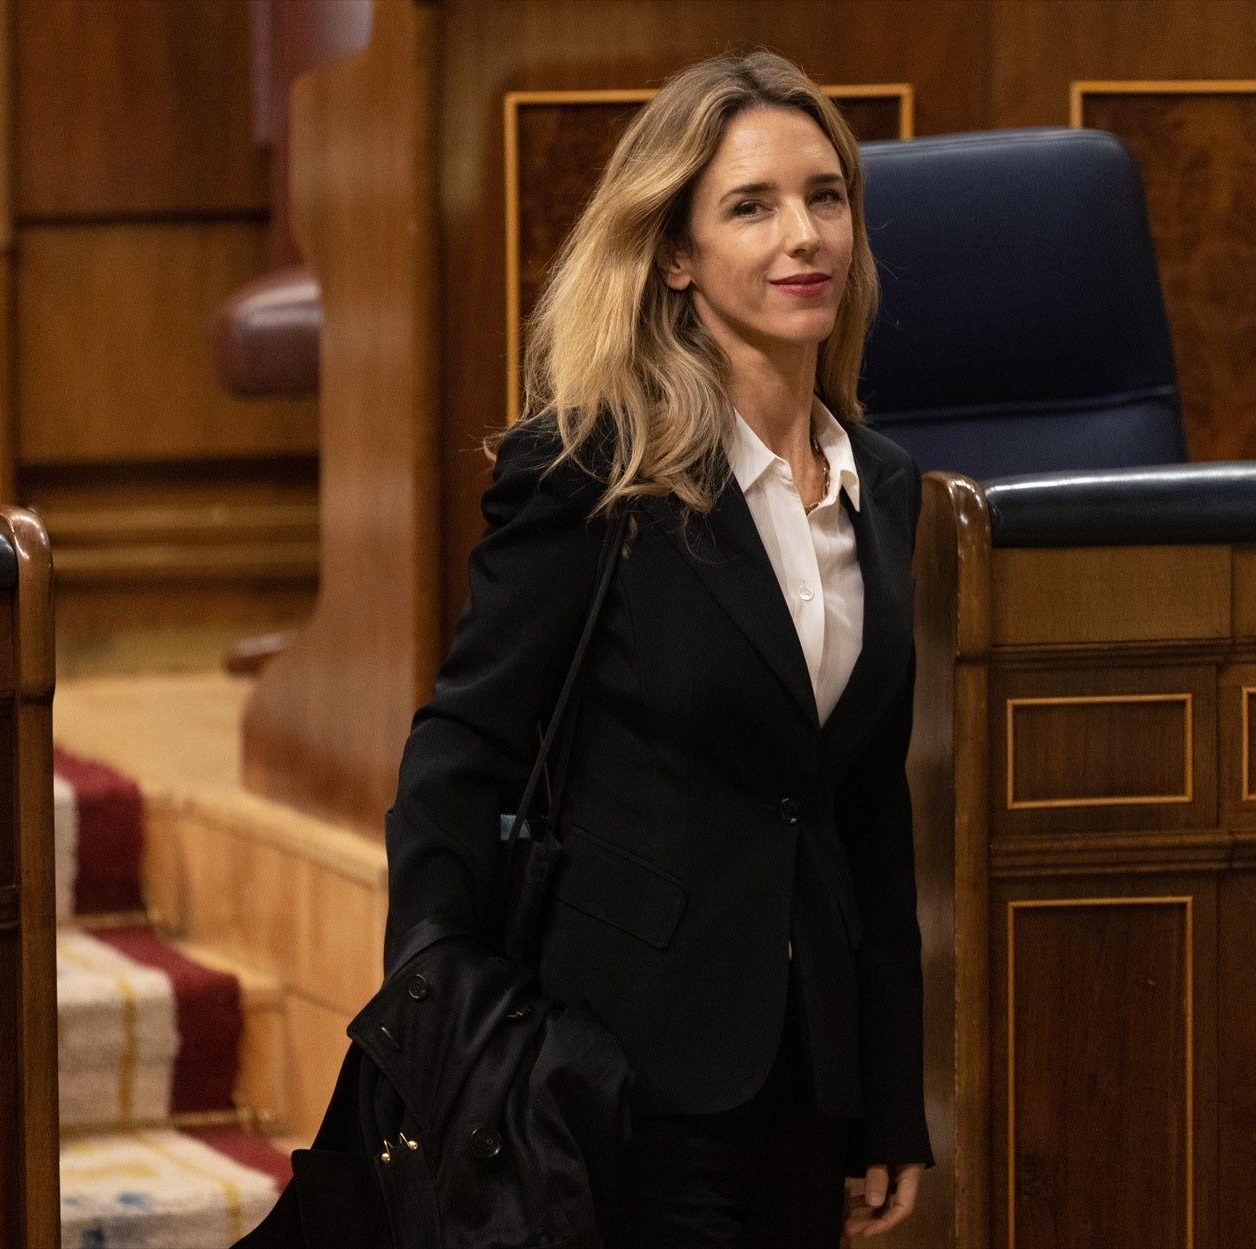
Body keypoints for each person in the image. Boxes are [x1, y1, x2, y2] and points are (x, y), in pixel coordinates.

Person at [384, 50, 930, 1246]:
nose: (805, 236)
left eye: (825, 196)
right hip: (614, 1082)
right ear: (676, 254)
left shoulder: (886, 490)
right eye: (753, 206)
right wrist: (439, 1030)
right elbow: (461, 753)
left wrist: (890, 1096)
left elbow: (865, 814)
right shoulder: (593, 471)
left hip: (805, 1083)